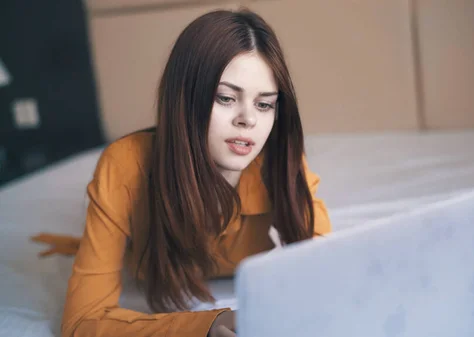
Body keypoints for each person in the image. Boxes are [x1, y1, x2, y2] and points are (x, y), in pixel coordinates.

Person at [32, 8, 331, 337]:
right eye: (226, 97)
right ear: (184, 100)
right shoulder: (124, 166)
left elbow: (330, 277)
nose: (248, 119)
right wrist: (208, 324)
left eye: (264, 104)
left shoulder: (280, 158)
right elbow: (81, 322)